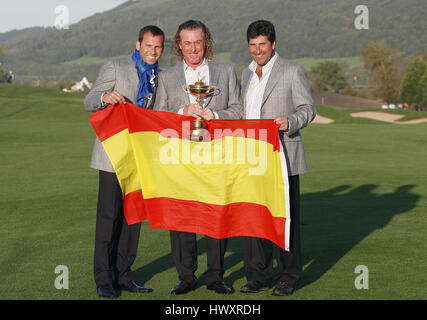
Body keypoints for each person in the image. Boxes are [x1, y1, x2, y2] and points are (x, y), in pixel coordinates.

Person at [153, 20, 242, 295]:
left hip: (217, 156)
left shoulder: (226, 71)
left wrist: (214, 115)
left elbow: (239, 110)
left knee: (216, 216)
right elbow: (157, 116)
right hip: (180, 158)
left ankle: (215, 276)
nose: (193, 48)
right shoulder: (166, 77)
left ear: (207, 42)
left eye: (198, 41)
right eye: (187, 42)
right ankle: (186, 277)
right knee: (182, 217)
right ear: (179, 45)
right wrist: (182, 110)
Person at [84, 25, 164, 298]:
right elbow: (89, 99)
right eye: (148, 45)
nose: (153, 51)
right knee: (109, 217)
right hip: (111, 155)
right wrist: (104, 97)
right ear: (138, 44)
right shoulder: (115, 67)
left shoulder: (159, 76)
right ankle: (104, 278)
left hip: (139, 159)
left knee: (133, 218)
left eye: (158, 47)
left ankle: (124, 274)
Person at [239, 20, 316, 296]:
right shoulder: (246, 74)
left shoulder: (292, 70)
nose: (257, 50)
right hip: (251, 158)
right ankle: (258, 275)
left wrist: (291, 121)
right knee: (254, 218)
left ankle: (289, 276)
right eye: (252, 45)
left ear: (273, 44)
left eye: (262, 44)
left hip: (282, 156)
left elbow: (308, 108)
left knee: (285, 220)